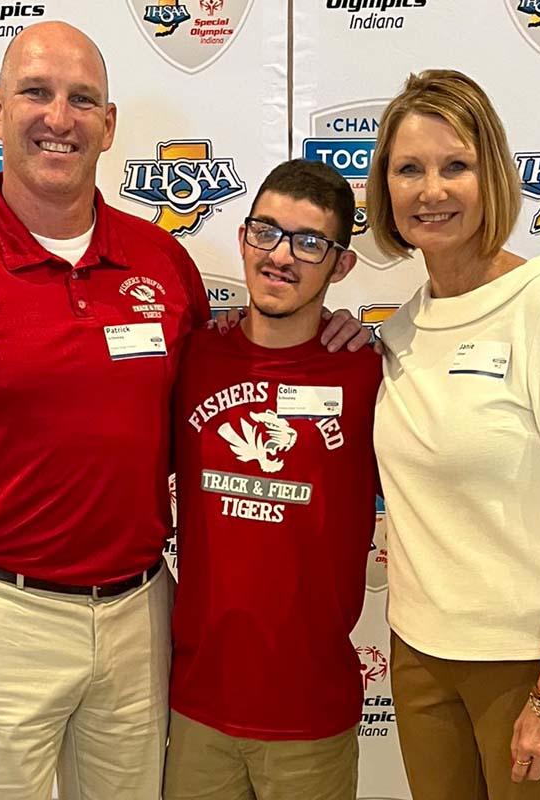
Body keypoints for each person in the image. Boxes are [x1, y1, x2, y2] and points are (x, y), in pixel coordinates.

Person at [0, 22, 368, 800]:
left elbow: (239, 371)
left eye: (82, 98)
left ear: (110, 124)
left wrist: (335, 336)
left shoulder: (162, 262)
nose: (60, 116)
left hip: (137, 615)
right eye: (36, 92)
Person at [367, 70, 540, 799]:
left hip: (537, 663)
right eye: (409, 169)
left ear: (493, 176)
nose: (432, 190)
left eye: (456, 166)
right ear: (384, 187)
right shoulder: (404, 326)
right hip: (421, 656)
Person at [162, 159, 381, 800]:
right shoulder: (193, 358)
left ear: (341, 266)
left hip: (310, 711)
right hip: (199, 701)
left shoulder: (369, 373)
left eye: (310, 243)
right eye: (266, 232)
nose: (281, 256)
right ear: (243, 237)